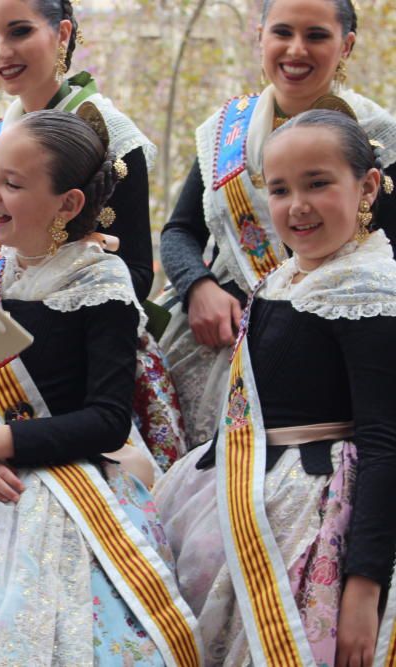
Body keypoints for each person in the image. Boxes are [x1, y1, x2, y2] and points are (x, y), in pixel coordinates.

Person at [0, 109, 200, 666]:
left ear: (69, 203)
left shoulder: (102, 281)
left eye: (13, 184)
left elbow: (106, 419)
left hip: (59, 494)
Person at [155, 109, 396, 666]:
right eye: (280, 189)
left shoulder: (369, 287)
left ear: (367, 186)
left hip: (315, 520)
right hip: (237, 489)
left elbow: (386, 442)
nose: (297, 206)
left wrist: (363, 586)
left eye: (318, 183)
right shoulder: (283, 278)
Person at [0, 0, 185, 470]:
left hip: (68, 362)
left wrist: (59, 269)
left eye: (19, 32)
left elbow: (134, 271)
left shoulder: (111, 133)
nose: (2, 51)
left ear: (63, 33)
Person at [158, 0, 396, 447]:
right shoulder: (225, 132)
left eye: (317, 36)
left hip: (330, 344)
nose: (296, 50)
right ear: (260, 36)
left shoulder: (379, 134)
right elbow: (179, 231)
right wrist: (197, 285)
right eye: (283, 33)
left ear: (346, 45)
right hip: (220, 338)